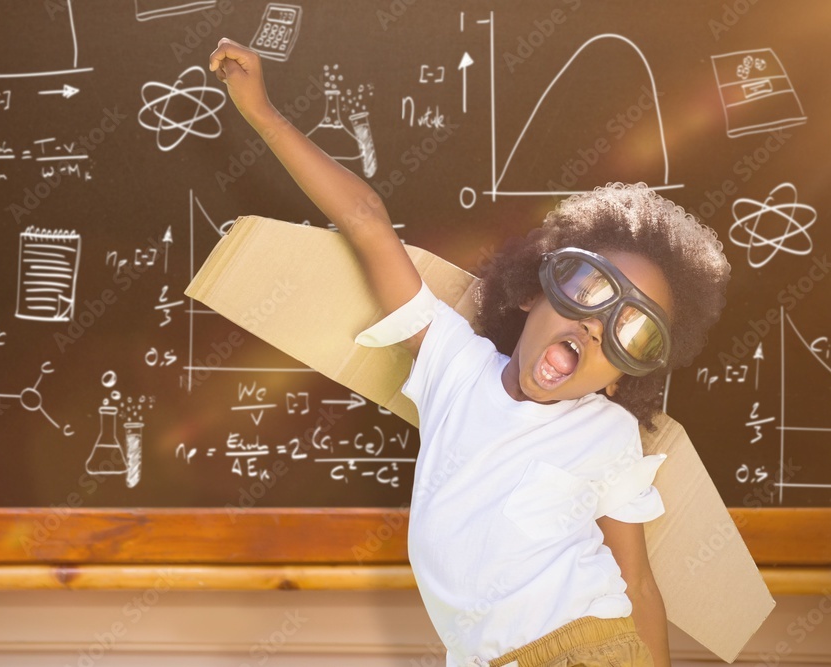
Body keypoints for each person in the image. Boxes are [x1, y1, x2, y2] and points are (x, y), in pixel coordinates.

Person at [208, 38, 730, 667]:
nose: (596, 327)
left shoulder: (607, 432)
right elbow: (367, 219)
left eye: (633, 334)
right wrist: (264, 112)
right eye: (588, 290)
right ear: (531, 295)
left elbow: (638, 581)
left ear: (620, 380)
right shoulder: (454, 367)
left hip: (591, 649)